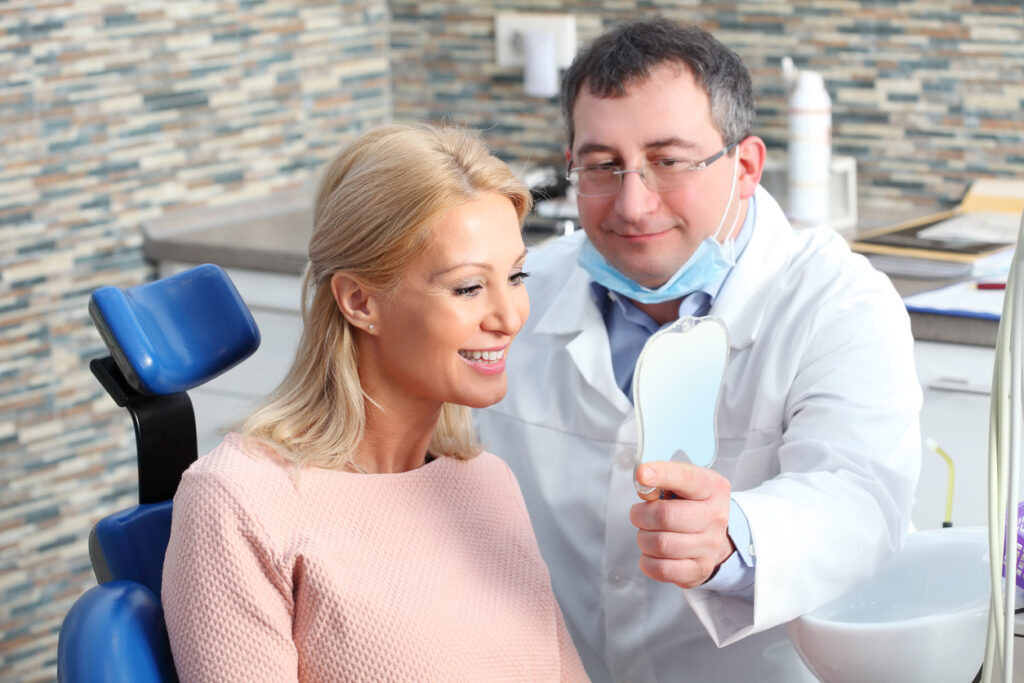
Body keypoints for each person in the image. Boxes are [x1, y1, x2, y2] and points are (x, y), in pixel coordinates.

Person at [475, 17, 922, 682]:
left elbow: (858, 501)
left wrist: (735, 535)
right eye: (601, 166)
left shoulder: (838, 303)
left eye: (669, 161)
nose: (632, 203)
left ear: (744, 167)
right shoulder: (522, 290)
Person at [162, 124, 589, 682]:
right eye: (467, 288)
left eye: (515, 276)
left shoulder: (488, 484)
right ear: (360, 301)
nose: (509, 317)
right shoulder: (238, 502)